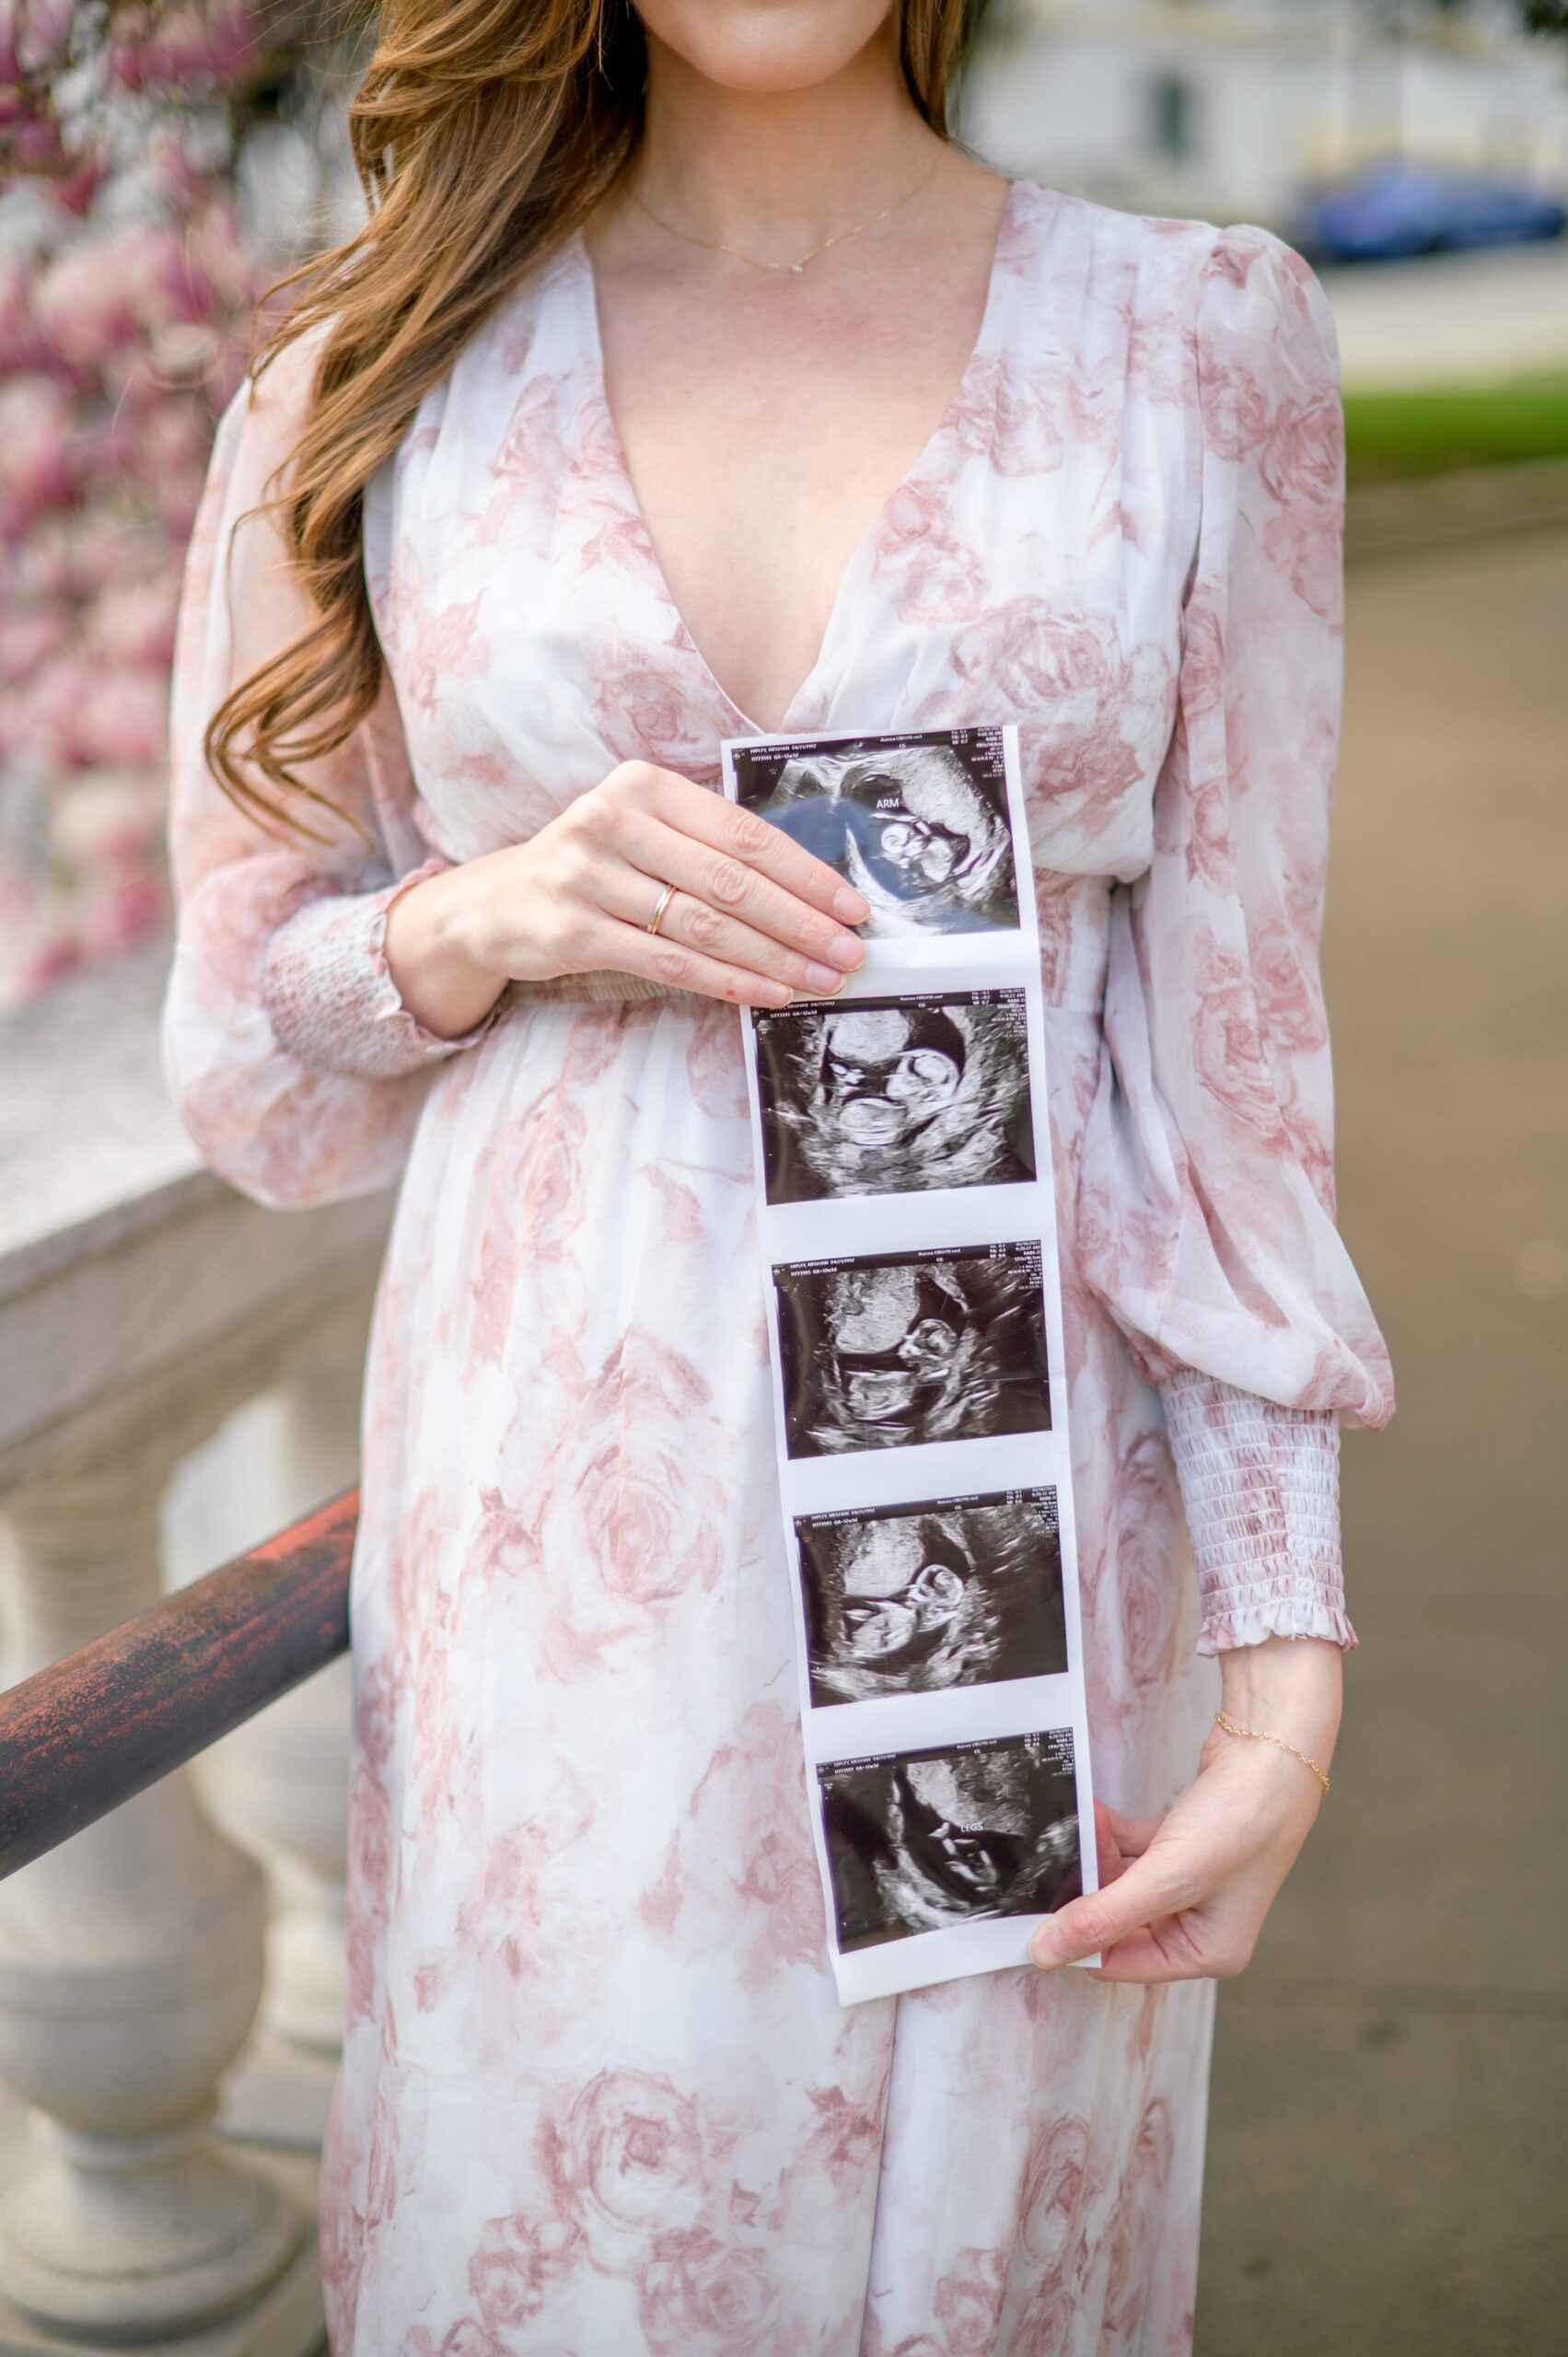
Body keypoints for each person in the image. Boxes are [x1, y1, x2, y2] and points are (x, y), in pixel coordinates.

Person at [161, 0, 1393, 2346]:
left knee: (964, 2262)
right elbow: (245, 1057)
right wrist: (477, 914)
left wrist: (1284, 1653)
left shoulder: (1197, 339)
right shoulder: (372, 369)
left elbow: (1232, 1064)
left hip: (1021, 1550)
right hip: (559, 1574)